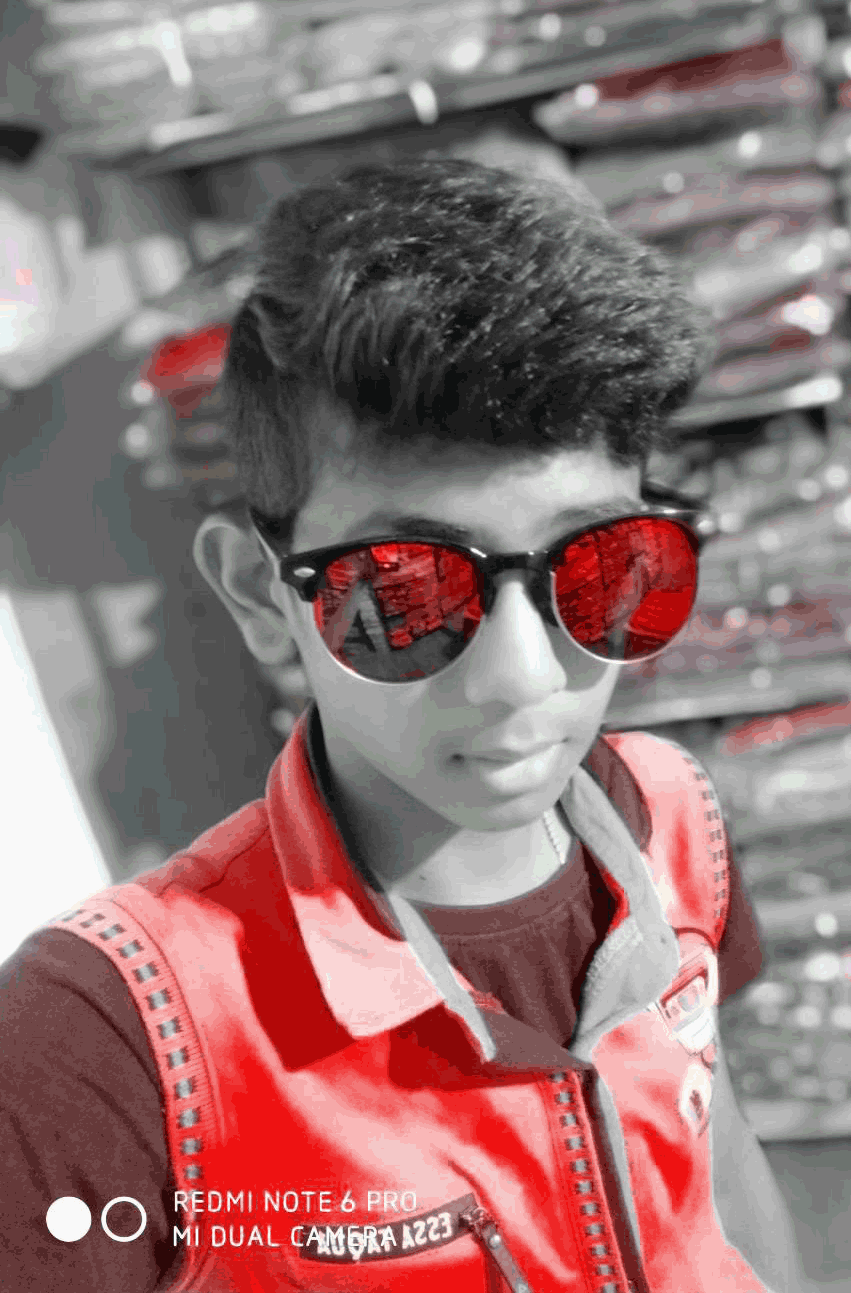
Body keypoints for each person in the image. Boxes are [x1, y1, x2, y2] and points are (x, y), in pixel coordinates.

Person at [0, 156, 810, 1292]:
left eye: (599, 564)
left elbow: (712, 1149)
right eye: (405, 590)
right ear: (258, 595)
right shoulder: (110, 1031)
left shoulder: (673, 814)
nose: (521, 677)